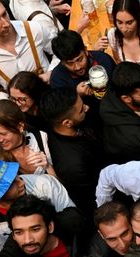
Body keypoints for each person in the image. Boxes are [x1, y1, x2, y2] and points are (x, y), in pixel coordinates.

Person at [0, 156, 78, 256]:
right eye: (11, 183)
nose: (20, 181)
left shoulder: (44, 185)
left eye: (14, 175)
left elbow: (73, 219)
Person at [0, 0, 60, 92]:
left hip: (53, 92)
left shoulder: (33, 28)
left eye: (4, 14)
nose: (6, 23)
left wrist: (50, 73)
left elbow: (60, 52)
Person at [40, 87, 104, 215]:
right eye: (81, 110)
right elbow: (92, 196)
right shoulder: (72, 165)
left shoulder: (66, 122)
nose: (86, 108)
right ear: (67, 123)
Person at [0, 99, 56, 175]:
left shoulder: (41, 139)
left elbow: (61, 187)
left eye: (3, 134)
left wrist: (48, 167)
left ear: (20, 127)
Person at [0, 194, 79, 257]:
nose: (28, 240)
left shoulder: (72, 226)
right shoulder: (13, 250)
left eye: (35, 229)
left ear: (50, 227)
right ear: (13, 235)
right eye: (19, 232)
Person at [50, 29, 116, 95]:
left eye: (79, 60)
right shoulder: (57, 79)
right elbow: (63, 104)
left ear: (85, 50)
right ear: (62, 62)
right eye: (70, 63)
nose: (77, 67)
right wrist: (76, 94)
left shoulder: (103, 60)